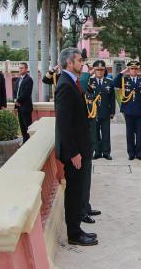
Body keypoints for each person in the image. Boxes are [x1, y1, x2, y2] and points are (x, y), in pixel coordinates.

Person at [54, 47, 97, 246]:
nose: (82, 63)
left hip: (79, 148)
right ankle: (74, 234)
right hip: (74, 152)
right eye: (79, 60)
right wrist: (73, 153)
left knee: (77, 191)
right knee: (73, 193)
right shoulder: (65, 84)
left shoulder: (72, 81)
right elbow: (64, 123)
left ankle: (77, 229)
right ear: (69, 63)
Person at [113, 61, 141, 160]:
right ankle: (131, 153)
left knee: (140, 133)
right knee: (130, 133)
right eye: (132, 69)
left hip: (139, 111)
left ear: (137, 70)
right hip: (128, 111)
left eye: (135, 69)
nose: (134, 70)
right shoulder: (124, 80)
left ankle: (139, 153)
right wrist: (121, 73)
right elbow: (115, 83)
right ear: (129, 70)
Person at [86, 60, 115, 160]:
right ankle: (97, 152)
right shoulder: (89, 82)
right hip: (93, 112)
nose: (99, 71)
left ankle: (106, 152)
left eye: (101, 70)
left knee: (106, 133)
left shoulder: (109, 82)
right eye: (97, 69)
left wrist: (112, 112)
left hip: (106, 112)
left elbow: (112, 98)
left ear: (104, 70)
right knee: (95, 133)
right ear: (94, 70)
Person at [14, 62, 33, 143]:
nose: (20, 69)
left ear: (26, 69)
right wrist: (15, 100)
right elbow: (15, 91)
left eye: (22, 68)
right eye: (19, 68)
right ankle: (25, 141)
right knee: (21, 126)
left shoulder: (29, 79)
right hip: (19, 107)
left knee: (28, 126)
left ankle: (30, 142)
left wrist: (18, 100)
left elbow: (26, 93)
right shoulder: (18, 79)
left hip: (26, 107)